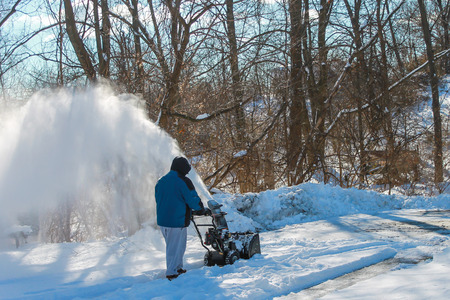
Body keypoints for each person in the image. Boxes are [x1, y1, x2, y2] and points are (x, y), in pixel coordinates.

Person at [155, 156, 205, 280]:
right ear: (182, 168)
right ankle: (171, 272)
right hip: (176, 220)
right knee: (174, 247)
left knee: (178, 246)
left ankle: (178, 268)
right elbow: (192, 199)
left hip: (163, 220)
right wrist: (200, 208)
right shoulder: (183, 181)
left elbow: (159, 199)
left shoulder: (161, 181)